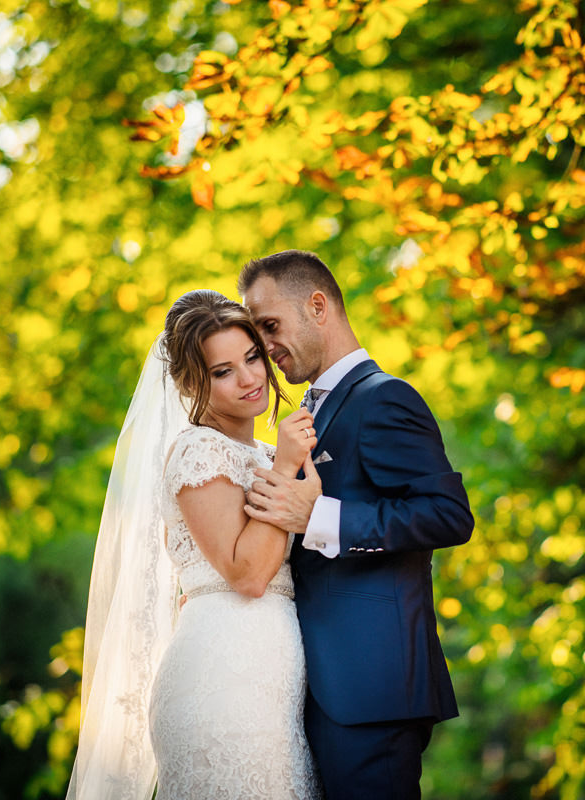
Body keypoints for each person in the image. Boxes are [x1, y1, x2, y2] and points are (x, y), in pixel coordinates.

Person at [67, 289, 322, 800]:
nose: (250, 379)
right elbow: (247, 574)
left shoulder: (267, 452)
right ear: (191, 383)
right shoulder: (197, 450)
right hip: (220, 682)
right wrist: (285, 468)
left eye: (252, 357)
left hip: (271, 682)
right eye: (223, 371)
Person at [238, 250, 475, 799]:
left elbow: (448, 514)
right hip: (317, 687)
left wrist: (317, 517)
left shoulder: (384, 398)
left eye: (270, 326)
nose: (266, 349)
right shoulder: (312, 411)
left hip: (373, 690)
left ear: (317, 307)